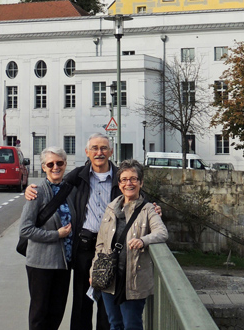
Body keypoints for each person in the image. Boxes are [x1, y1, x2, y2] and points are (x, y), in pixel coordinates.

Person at [25, 133, 120, 330]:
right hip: (83, 249)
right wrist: (27, 190)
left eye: (103, 148)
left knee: (107, 304)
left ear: (111, 151)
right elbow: (51, 185)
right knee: (80, 304)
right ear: (87, 152)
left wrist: (154, 207)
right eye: (94, 148)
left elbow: (137, 193)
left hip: (109, 250)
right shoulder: (78, 176)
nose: (99, 152)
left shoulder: (121, 177)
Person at [90, 159, 168, 330]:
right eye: (124, 179)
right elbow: (100, 244)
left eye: (133, 179)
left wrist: (143, 240)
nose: (129, 183)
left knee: (132, 325)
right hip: (110, 278)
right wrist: (93, 271)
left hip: (134, 279)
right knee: (114, 324)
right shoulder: (111, 208)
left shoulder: (148, 209)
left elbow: (162, 233)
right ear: (119, 184)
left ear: (141, 182)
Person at [19, 147, 76, 330]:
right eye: (50, 164)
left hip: (63, 263)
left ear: (65, 164)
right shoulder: (37, 192)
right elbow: (26, 229)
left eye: (59, 163)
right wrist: (56, 235)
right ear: (44, 167)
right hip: (41, 264)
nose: (55, 167)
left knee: (56, 313)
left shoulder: (70, 191)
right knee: (39, 314)